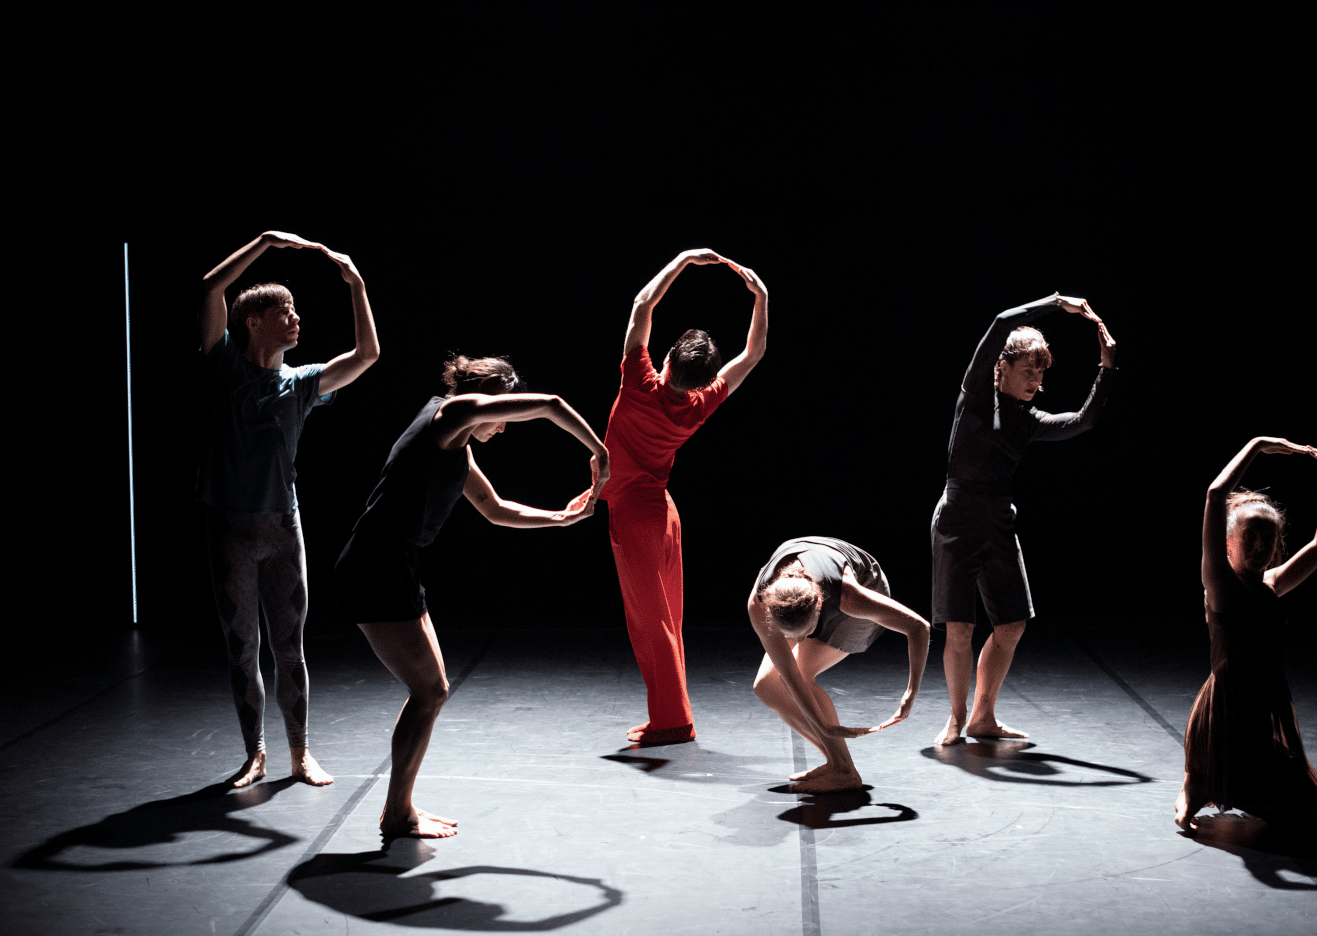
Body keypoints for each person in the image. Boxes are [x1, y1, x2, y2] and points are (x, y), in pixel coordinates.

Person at [332, 356, 608, 838]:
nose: (502, 427)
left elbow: (495, 509)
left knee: (431, 691)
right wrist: (600, 452)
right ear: (487, 400)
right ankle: (398, 813)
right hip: (375, 565)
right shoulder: (450, 414)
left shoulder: (455, 444)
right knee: (430, 691)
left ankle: (399, 809)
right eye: (502, 415)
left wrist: (563, 519)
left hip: (394, 565)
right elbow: (551, 404)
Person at [198, 231, 380, 789]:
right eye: (287, 311)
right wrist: (266, 241)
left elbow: (367, 356)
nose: (297, 319)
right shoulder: (224, 365)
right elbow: (212, 285)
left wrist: (357, 284)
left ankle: (300, 753)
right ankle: (255, 753)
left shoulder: (301, 384)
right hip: (230, 529)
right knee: (243, 648)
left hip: (283, 527)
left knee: (289, 647)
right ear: (254, 322)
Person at [931, 294, 1117, 745]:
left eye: (1041, 372)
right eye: (1028, 370)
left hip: (998, 520)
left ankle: (983, 717)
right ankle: (956, 718)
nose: (1036, 380)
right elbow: (1000, 320)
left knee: (1012, 625)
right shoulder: (976, 395)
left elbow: (1084, 421)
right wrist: (1056, 302)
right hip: (957, 517)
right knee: (960, 628)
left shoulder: (1028, 420)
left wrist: (1107, 367)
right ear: (1004, 367)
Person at [602, 250, 768, 746]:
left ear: (668, 362)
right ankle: (671, 715)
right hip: (662, 514)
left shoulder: (639, 383)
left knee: (651, 623)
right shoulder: (700, 404)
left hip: (637, 516)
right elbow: (752, 355)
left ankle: (672, 722)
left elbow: (642, 304)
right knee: (665, 620)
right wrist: (760, 298)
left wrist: (681, 262)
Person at [1174, 438, 1317, 833]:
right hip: (1227, 712)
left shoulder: (1272, 584)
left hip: (1260, 710)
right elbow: (1216, 494)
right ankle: (1201, 783)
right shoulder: (1221, 585)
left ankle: (1205, 783)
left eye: (1268, 538)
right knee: (1304, 815)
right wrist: (1257, 445)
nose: (1259, 545)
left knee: (1316, 808)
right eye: (1249, 536)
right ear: (1228, 543)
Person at [748, 538, 930, 793]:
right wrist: (824, 727)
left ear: (819, 604)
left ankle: (843, 770)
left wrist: (911, 692)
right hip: (805, 592)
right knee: (767, 686)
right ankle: (838, 764)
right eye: (790, 635)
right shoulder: (759, 606)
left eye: (806, 633)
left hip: (863, 585)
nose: (799, 642)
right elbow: (788, 675)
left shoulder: (850, 597)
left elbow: (919, 627)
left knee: (803, 673)